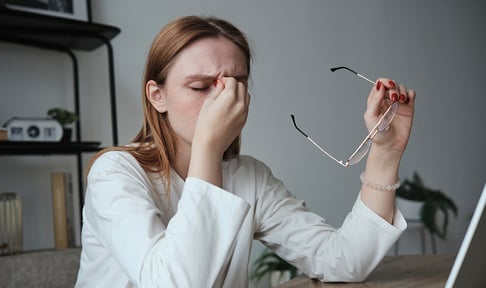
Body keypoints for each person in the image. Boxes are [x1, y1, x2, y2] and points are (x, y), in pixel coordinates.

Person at [75, 15, 415, 288]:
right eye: (200, 86)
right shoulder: (114, 173)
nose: (220, 99)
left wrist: (385, 150)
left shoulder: (248, 176)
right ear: (157, 95)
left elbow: (343, 261)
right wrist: (208, 146)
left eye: (235, 84)